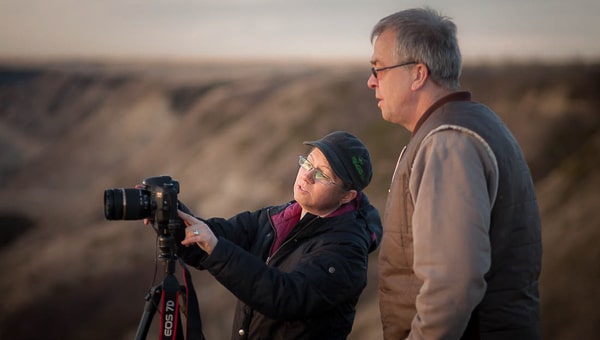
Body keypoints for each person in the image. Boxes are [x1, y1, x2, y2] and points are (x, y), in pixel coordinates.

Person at [367, 7, 542, 340]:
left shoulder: (447, 144)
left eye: (379, 68)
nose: (371, 81)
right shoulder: (475, 123)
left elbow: (452, 284)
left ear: (418, 74)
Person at [174, 131, 382, 339]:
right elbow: (206, 240)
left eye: (322, 174)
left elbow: (285, 296)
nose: (307, 176)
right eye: (308, 163)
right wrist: (167, 212)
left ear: (347, 196)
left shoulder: (346, 250)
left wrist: (215, 248)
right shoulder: (277, 218)